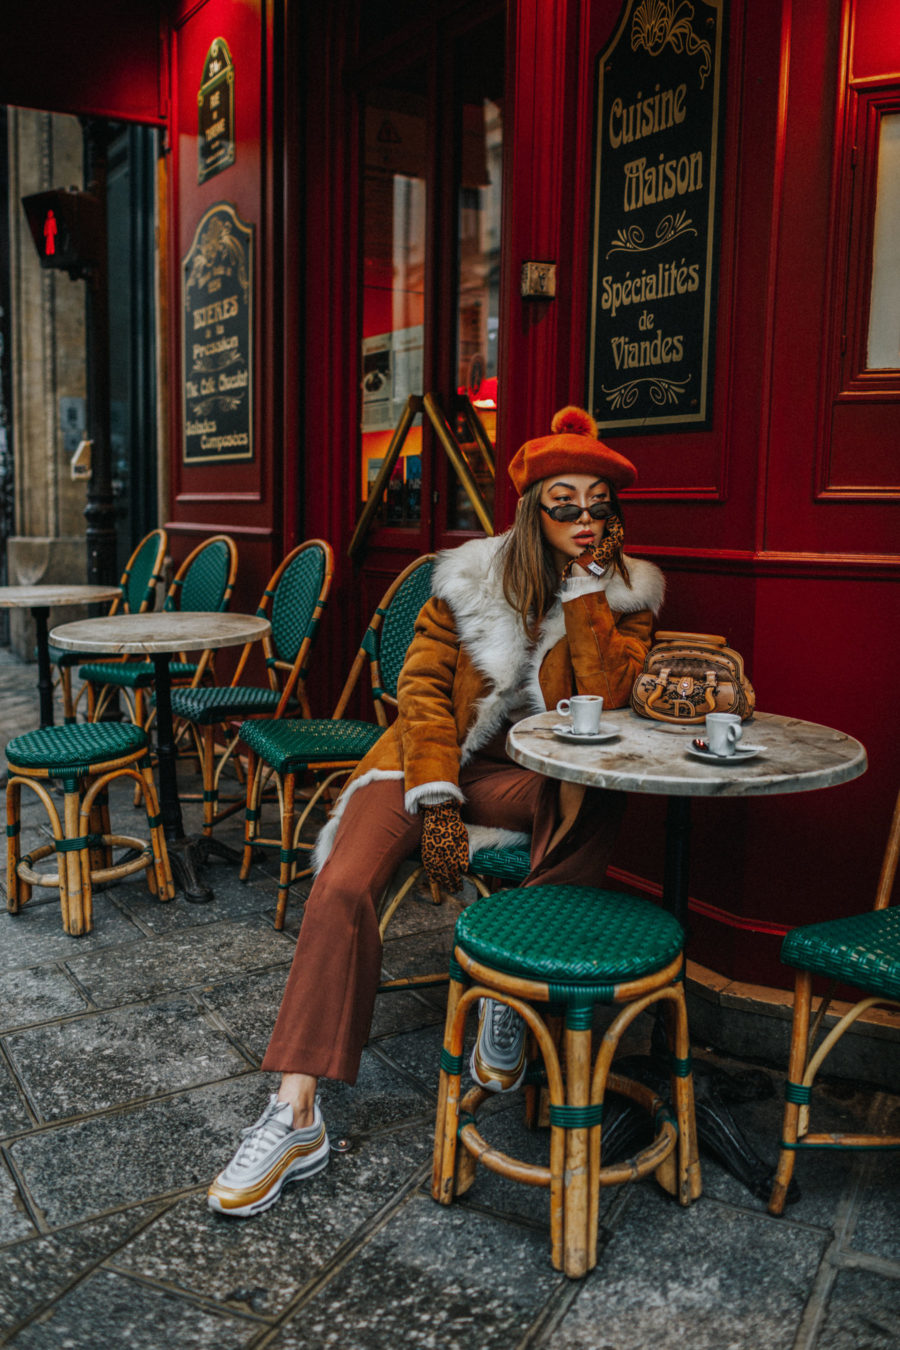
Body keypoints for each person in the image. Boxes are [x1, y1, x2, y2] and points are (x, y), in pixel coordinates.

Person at [207, 405, 665, 1217]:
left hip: (530, 776)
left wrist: (591, 596)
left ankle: (507, 992)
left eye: (600, 504)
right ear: (532, 509)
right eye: (566, 501)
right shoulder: (464, 581)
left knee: (590, 798)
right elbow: (420, 693)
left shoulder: (627, 596)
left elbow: (607, 698)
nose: (586, 519)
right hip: (425, 765)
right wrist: (440, 803)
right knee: (343, 888)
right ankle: (294, 1110)